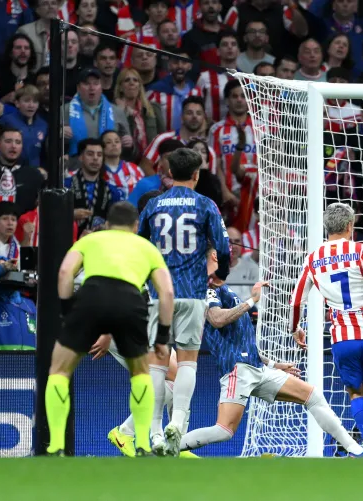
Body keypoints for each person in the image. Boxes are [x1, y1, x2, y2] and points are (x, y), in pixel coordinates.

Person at [179, 249, 363, 457]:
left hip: (257, 369)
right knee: (224, 431)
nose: (228, 256)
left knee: (312, 395)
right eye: (221, 254)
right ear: (213, 258)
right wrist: (251, 301)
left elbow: (242, 342)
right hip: (237, 371)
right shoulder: (205, 288)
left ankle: (355, 450)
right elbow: (216, 319)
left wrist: (272, 364)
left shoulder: (224, 289)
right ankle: (171, 448)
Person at [45, 201, 175, 456]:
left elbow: (64, 273)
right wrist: (162, 336)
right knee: (141, 374)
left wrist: (66, 312)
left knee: (59, 371)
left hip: (90, 299)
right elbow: (167, 292)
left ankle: (56, 445)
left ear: (106, 224)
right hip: (131, 303)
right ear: (136, 226)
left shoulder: (90, 241)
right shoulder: (146, 247)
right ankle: (142, 444)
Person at [290, 203, 363, 458]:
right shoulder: (360, 250)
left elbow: (296, 299)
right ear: (349, 226)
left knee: (356, 392)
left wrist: (295, 328)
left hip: (343, 338)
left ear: (327, 228)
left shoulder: (312, 258)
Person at [138, 147, 231, 456]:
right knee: (188, 360)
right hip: (191, 293)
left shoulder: (153, 205)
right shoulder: (205, 204)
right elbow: (223, 246)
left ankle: (153, 433)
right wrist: (221, 274)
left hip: (158, 294)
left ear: (168, 172)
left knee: (158, 364)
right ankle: (177, 422)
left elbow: (140, 244)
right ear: (196, 174)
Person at [65, 138, 125, 236]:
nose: (95, 158)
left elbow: (117, 224)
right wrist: (69, 215)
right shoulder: (65, 186)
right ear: (80, 157)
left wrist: (105, 226)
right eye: (90, 154)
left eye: (99, 155)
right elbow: (50, 216)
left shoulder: (111, 191)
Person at [0, 126, 45, 215]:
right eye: (8, 141)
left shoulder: (34, 175)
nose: (13, 146)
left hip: (24, 227)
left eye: (18, 142)